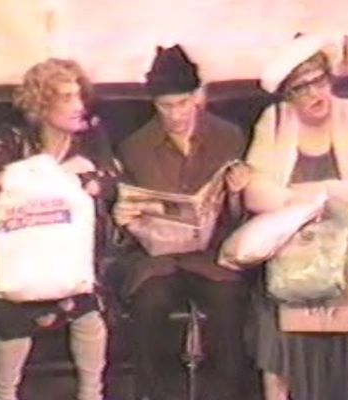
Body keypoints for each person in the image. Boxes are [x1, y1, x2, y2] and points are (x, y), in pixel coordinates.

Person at [239, 34, 348, 400]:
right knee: (275, 329)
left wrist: (308, 195)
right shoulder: (274, 121)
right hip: (291, 264)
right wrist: (332, 197)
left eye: (320, 81)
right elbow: (255, 194)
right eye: (302, 88)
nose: (316, 94)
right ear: (288, 95)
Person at [112, 45, 251, 400]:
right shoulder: (134, 147)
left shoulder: (228, 136)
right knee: (149, 302)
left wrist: (237, 193)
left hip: (212, 255)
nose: (175, 115)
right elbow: (126, 221)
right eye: (165, 106)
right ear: (154, 104)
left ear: (197, 97)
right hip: (157, 259)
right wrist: (124, 219)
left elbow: (240, 218)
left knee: (228, 300)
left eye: (183, 104)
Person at [0, 58, 119, 400]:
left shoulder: (91, 132)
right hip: (25, 254)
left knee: (87, 306)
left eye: (79, 96)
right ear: (42, 105)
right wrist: (55, 171)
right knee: (13, 309)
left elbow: (109, 182)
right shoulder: (13, 135)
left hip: (76, 254)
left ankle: (91, 394)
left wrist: (88, 179)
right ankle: (4, 395)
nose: (78, 105)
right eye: (67, 98)